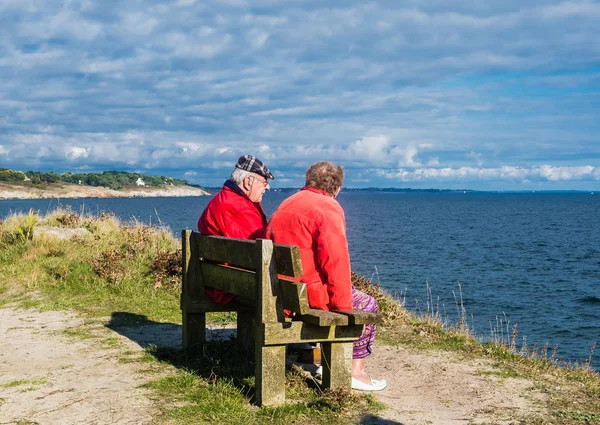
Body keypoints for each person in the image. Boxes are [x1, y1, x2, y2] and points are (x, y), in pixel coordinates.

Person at [266, 161, 386, 391]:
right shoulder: (327, 207)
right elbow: (335, 260)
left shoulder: (288, 202)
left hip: (283, 289)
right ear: (337, 188)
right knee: (368, 304)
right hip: (306, 294)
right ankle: (355, 373)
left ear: (308, 180)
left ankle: (314, 356)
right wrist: (343, 307)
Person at [198, 154, 274, 303]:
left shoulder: (224, 199)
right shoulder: (238, 207)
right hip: (232, 286)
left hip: (220, 280)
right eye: (264, 182)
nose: (267, 187)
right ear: (248, 181)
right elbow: (255, 250)